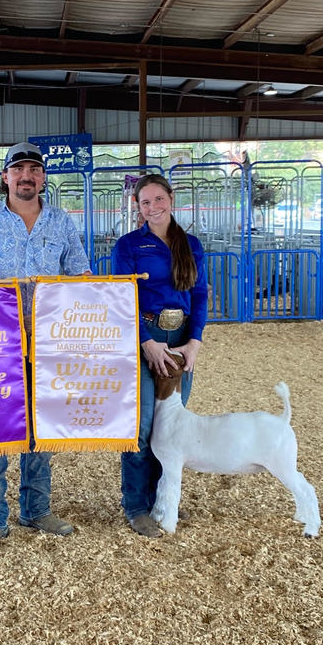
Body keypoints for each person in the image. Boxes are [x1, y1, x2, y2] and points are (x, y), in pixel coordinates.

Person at [0, 141, 91, 555]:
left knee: (42, 427)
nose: (26, 176)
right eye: (19, 169)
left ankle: (36, 509)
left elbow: (81, 272)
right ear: (5, 177)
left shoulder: (61, 221)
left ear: (43, 177)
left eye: (34, 169)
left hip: (50, 341)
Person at [111, 173, 208, 538]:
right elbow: (122, 297)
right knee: (142, 425)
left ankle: (161, 501)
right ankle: (136, 505)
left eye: (157, 199)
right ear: (138, 207)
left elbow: (199, 295)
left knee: (170, 426)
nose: (152, 207)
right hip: (146, 339)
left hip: (181, 338)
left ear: (171, 198)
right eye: (144, 202)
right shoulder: (129, 245)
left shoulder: (191, 244)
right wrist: (146, 343)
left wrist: (194, 342)